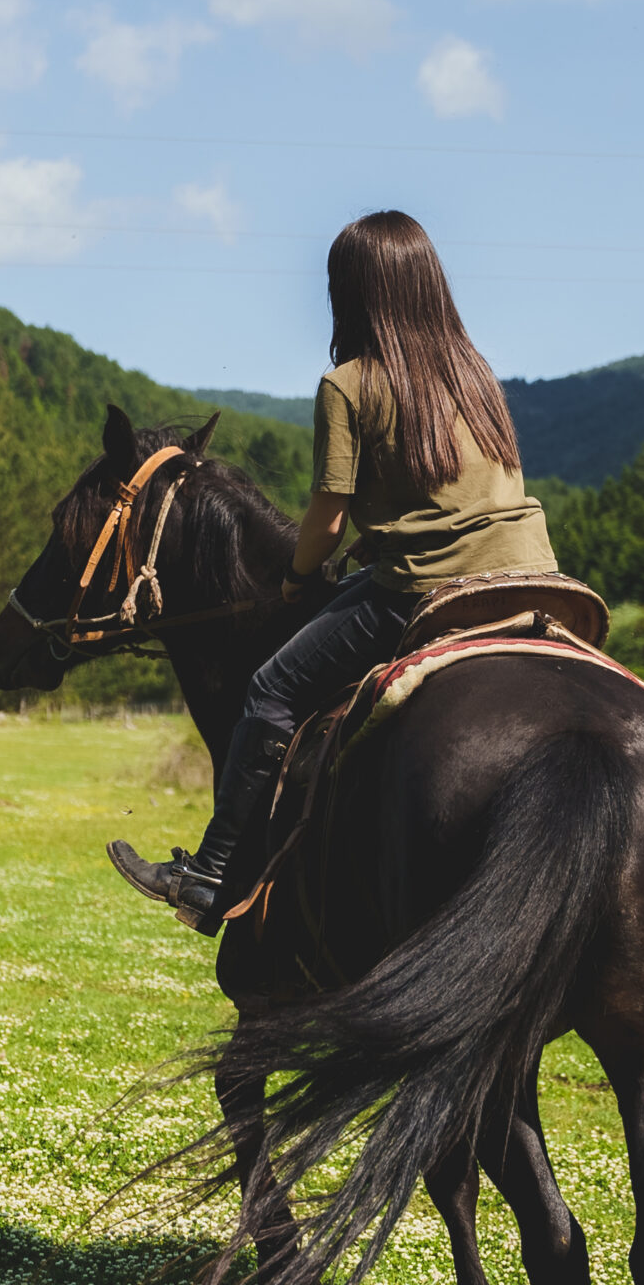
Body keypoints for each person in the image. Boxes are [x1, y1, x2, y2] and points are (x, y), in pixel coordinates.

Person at [108, 210, 558, 931]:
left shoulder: (349, 383)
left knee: (273, 687)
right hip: (533, 575)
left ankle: (212, 874)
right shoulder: (474, 374)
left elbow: (326, 519)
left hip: (427, 582)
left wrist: (296, 577)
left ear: (351, 291)